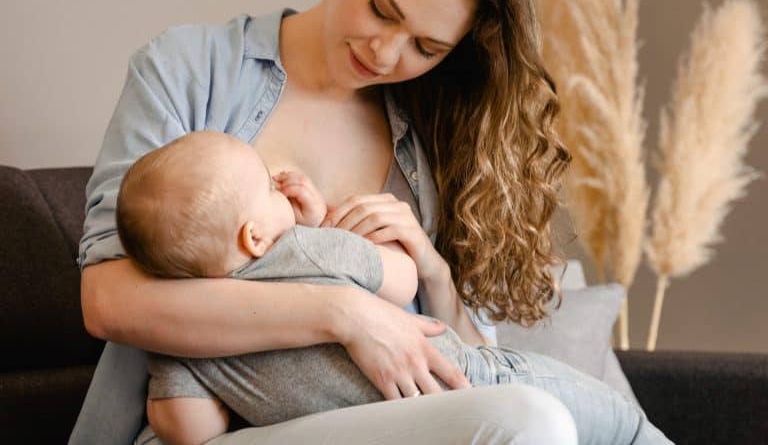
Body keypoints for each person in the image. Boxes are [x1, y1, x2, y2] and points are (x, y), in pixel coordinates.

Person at [71, 0, 672, 444]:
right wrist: (345, 313)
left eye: (427, 47)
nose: (386, 54)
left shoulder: (431, 130)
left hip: (391, 422)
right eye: (382, 9)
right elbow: (110, 300)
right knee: (530, 422)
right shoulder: (190, 69)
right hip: (219, 431)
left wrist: (434, 274)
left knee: (532, 420)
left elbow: (467, 369)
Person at [116, 130, 670, 445]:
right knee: (625, 427)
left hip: (402, 423)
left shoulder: (184, 341)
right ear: (256, 235)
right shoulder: (300, 249)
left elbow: (186, 428)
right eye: (266, 184)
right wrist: (321, 228)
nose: (279, 182)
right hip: (469, 377)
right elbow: (399, 278)